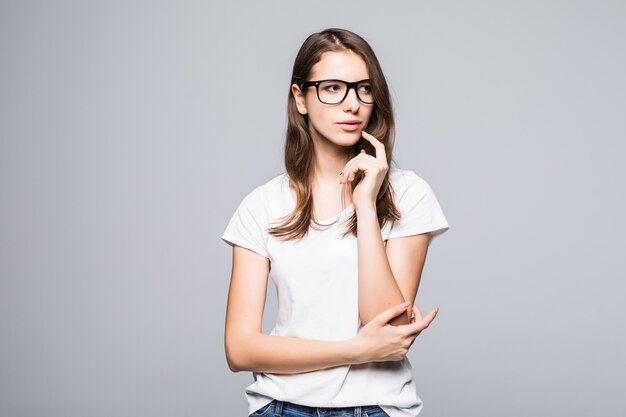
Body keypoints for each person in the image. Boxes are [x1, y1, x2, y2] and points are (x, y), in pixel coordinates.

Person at [221, 28, 450, 417]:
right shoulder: (262, 205)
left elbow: (389, 327)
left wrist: (364, 204)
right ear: (301, 98)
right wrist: (355, 350)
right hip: (281, 408)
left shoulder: (408, 194)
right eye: (332, 88)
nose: (352, 104)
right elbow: (239, 349)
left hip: (377, 409)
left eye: (363, 88)